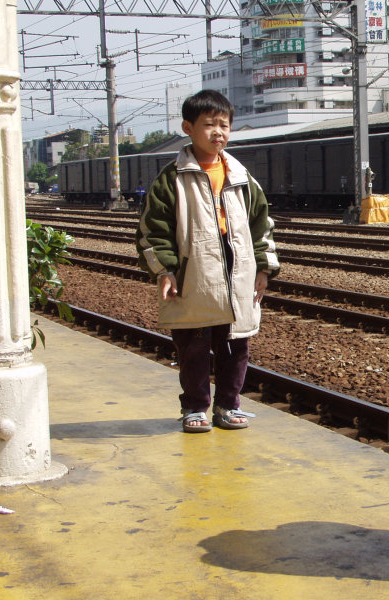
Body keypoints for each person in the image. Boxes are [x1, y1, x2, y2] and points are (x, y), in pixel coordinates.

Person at [135, 90, 280, 433]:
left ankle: (229, 405)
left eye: (224, 125)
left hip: (237, 277)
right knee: (193, 348)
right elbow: (154, 229)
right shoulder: (172, 179)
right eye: (209, 124)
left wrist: (263, 267)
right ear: (188, 127)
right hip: (195, 277)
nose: (218, 132)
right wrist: (165, 270)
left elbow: (262, 226)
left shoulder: (243, 178)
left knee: (235, 346)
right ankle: (195, 407)